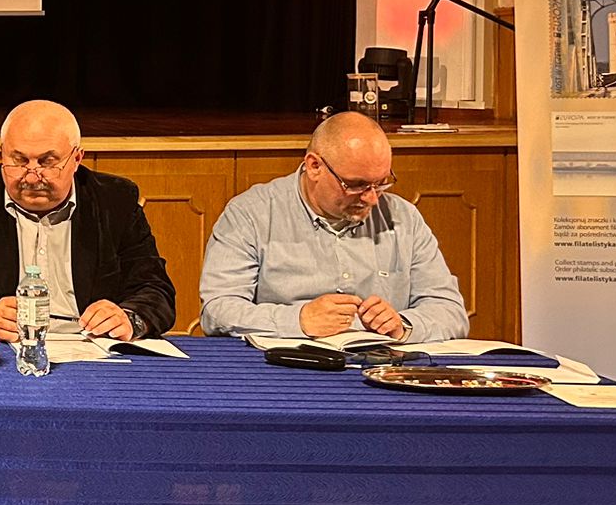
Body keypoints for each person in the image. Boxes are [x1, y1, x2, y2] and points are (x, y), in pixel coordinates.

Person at [0, 99, 176, 341]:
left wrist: (129, 318)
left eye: (47, 162)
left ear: (77, 159)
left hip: (92, 347)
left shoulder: (114, 200)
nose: (32, 177)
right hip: (7, 348)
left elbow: (155, 290)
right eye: (19, 161)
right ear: (2, 154)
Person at [199, 110, 468, 341]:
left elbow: (450, 310)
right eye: (356, 185)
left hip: (379, 365)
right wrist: (298, 320)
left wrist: (403, 325)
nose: (372, 198)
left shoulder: (403, 218)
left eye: (381, 184)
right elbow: (217, 310)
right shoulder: (251, 214)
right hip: (285, 368)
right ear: (314, 166)